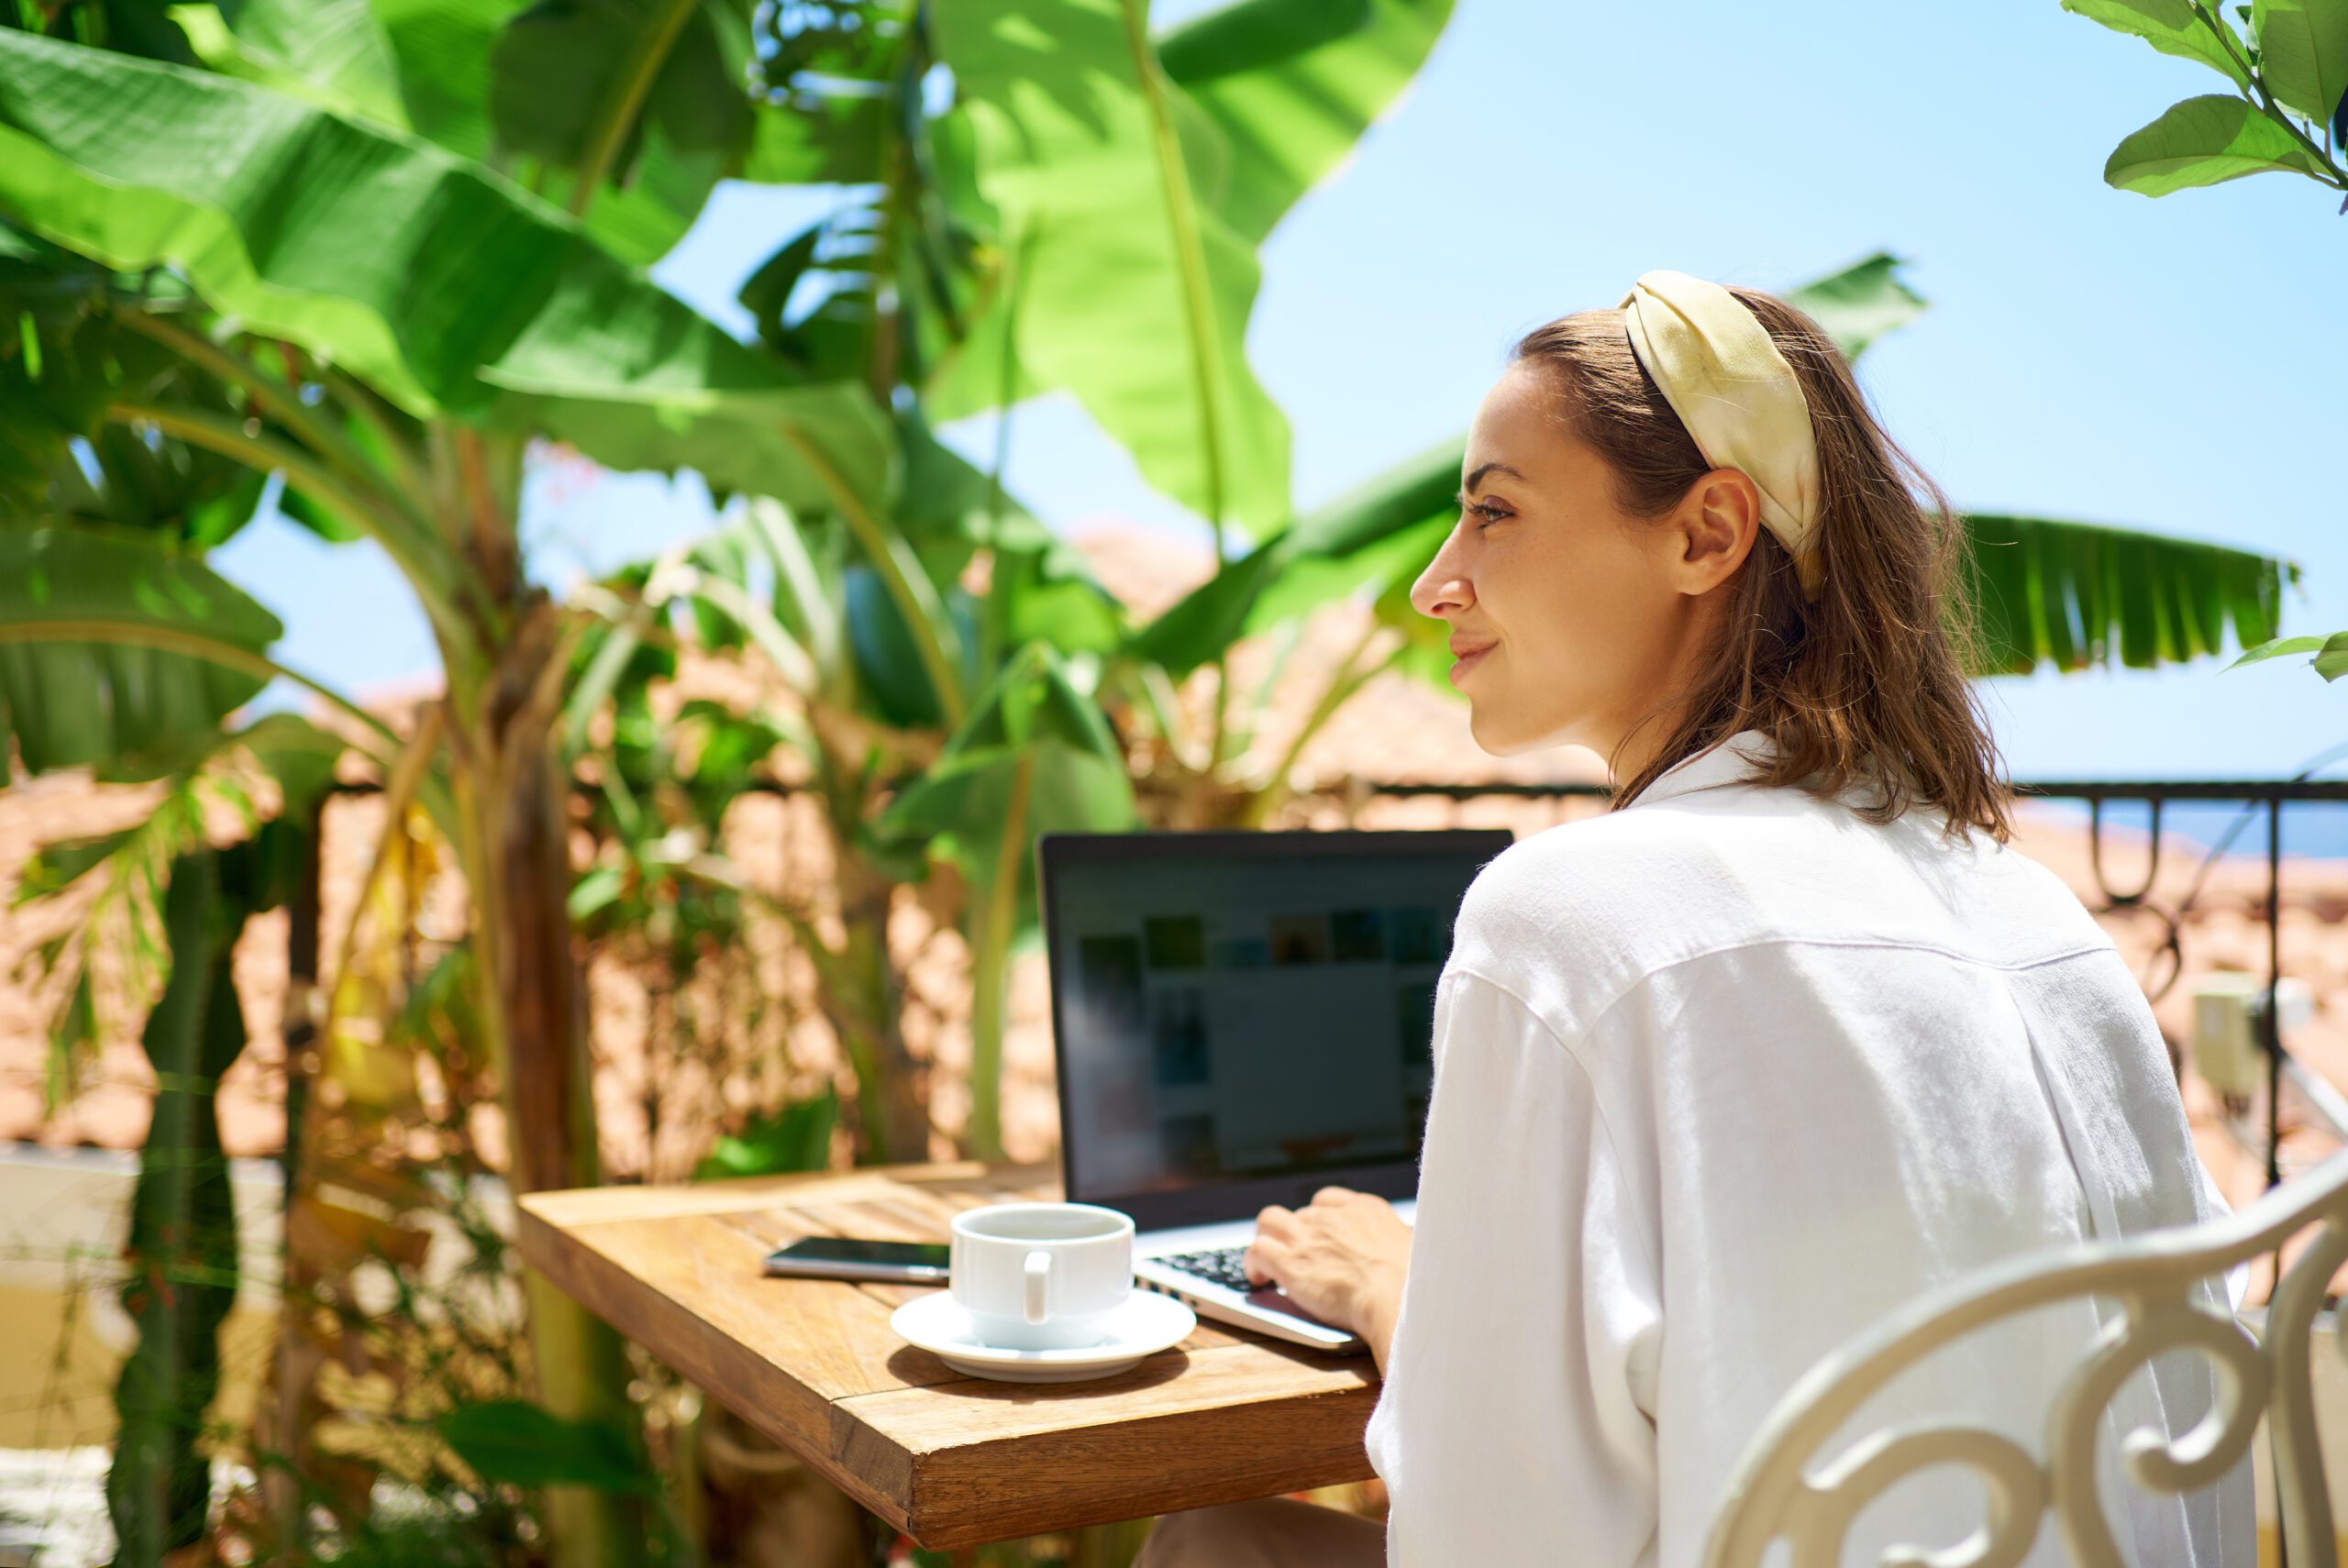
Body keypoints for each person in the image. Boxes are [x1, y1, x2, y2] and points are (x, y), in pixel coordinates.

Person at [1133, 271, 2252, 1567]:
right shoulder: (2036, 918)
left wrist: (1403, 1296)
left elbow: (1497, 1536)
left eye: (1493, 513)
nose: (1437, 584)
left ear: (1707, 534)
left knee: (1217, 1540)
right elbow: (2196, 1436)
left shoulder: (1569, 919)